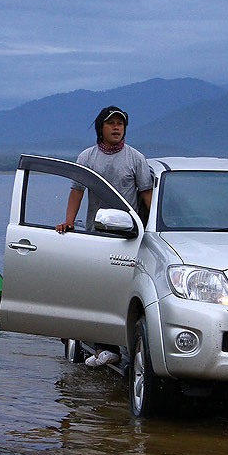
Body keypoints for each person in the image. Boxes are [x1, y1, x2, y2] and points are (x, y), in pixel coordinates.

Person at [56, 105, 154, 367]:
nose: (116, 128)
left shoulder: (136, 159)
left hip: (128, 237)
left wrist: (156, 227)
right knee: (95, 290)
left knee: (122, 290)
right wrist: (68, 222)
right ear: (101, 128)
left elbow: (147, 195)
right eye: (111, 123)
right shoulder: (87, 157)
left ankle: (119, 345)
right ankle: (102, 346)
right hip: (95, 236)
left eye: (120, 124)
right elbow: (76, 190)